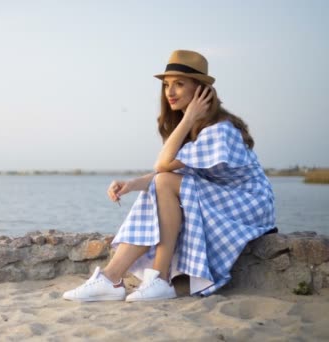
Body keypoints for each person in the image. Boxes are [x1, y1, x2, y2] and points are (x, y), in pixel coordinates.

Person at [63, 50, 276, 302]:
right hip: (219, 199)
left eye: (179, 84)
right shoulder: (194, 128)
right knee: (159, 183)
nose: (170, 92)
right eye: (166, 85)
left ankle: (158, 279)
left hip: (248, 204)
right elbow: (169, 171)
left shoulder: (220, 130)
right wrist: (131, 185)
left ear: (200, 90)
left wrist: (187, 118)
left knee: (162, 181)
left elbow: (162, 166)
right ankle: (111, 278)